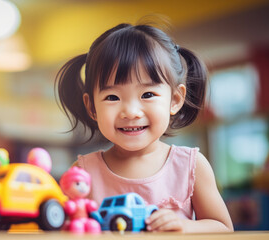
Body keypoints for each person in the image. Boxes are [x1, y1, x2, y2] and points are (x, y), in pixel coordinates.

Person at [55, 20, 233, 233]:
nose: (130, 112)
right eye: (112, 97)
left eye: (147, 95)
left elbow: (223, 228)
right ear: (92, 107)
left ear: (175, 100)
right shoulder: (82, 173)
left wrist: (185, 226)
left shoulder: (190, 166)